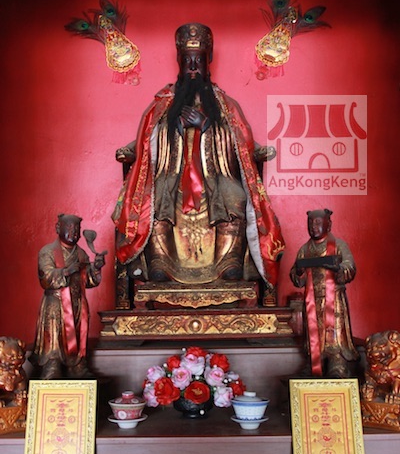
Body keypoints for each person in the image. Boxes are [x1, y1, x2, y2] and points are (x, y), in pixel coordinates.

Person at [112, 23, 284, 296]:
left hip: (216, 176)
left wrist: (207, 127)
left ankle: (229, 263)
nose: (193, 67)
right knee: (158, 197)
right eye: (188, 61)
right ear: (180, 62)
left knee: (235, 196)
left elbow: (241, 140)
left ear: (208, 61)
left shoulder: (225, 104)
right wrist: (170, 131)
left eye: (198, 61)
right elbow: (146, 137)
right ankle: (161, 263)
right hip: (172, 173)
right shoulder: (163, 103)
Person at [30, 214, 106, 380]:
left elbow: (89, 281)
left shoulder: (81, 254)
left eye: (77, 228)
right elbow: (45, 276)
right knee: (54, 333)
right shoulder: (48, 251)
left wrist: (96, 267)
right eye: (70, 228)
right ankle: (52, 364)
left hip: (77, 301)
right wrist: (66, 271)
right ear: (58, 228)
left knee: (77, 332)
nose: (74, 232)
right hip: (55, 301)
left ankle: (76, 364)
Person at [290, 209, 359, 378]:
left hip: (333, 298)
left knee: (334, 331)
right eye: (310, 223)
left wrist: (338, 268)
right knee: (314, 331)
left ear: (329, 224)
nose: (314, 227)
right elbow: (297, 277)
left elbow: (350, 266)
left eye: (318, 223)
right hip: (312, 298)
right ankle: (315, 360)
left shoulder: (338, 245)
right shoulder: (305, 249)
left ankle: (337, 361)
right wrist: (298, 272)